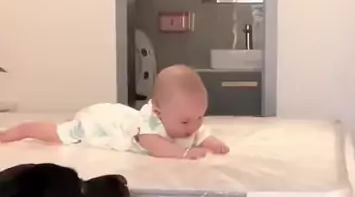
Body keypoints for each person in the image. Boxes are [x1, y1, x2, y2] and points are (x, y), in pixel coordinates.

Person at [0, 64, 230, 160]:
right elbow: (156, 147)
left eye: (200, 116)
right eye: (185, 121)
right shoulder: (150, 124)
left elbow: (202, 135)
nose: (194, 126)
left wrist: (213, 143)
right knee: (61, 133)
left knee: (69, 127)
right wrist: (184, 154)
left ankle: (71, 120)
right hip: (103, 122)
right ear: (158, 112)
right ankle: (16, 132)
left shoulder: (190, 122)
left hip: (119, 117)